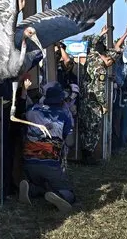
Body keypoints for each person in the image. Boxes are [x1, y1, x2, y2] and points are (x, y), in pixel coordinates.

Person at [19, 83, 75, 212]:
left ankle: (31, 190)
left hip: (29, 163)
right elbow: (70, 143)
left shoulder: (32, 110)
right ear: (61, 100)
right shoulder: (64, 116)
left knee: (42, 185)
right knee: (69, 193)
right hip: (50, 164)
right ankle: (61, 195)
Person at [78, 27, 115, 164]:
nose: (110, 64)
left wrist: (101, 34)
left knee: (83, 127)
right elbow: (99, 90)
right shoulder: (101, 69)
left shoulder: (91, 57)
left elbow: (93, 45)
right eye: (111, 61)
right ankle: (89, 157)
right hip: (93, 103)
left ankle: (84, 155)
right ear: (106, 58)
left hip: (83, 99)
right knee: (93, 129)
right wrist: (104, 104)